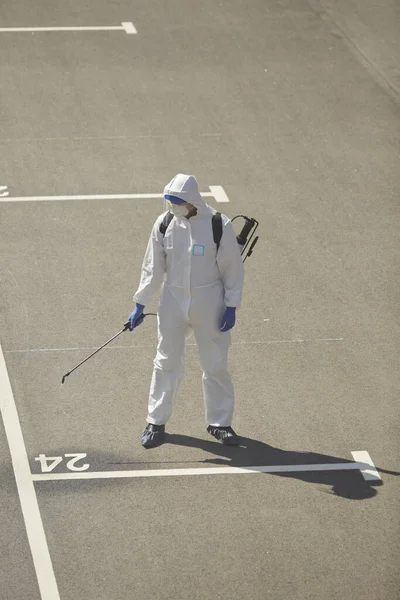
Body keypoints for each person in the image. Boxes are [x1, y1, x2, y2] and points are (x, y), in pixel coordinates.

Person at [128, 174, 245, 448]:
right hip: (172, 299)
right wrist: (140, 302)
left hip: (209, 300)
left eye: (177, 201)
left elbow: (232, 268)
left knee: (215, 363)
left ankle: (220, 423)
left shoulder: (218, 224)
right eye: (169, 201)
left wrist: (231, 305)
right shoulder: (165, 224)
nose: (173, 205)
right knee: (166, 360)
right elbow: (152, 266)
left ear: (192, 201)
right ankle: (155, 422)